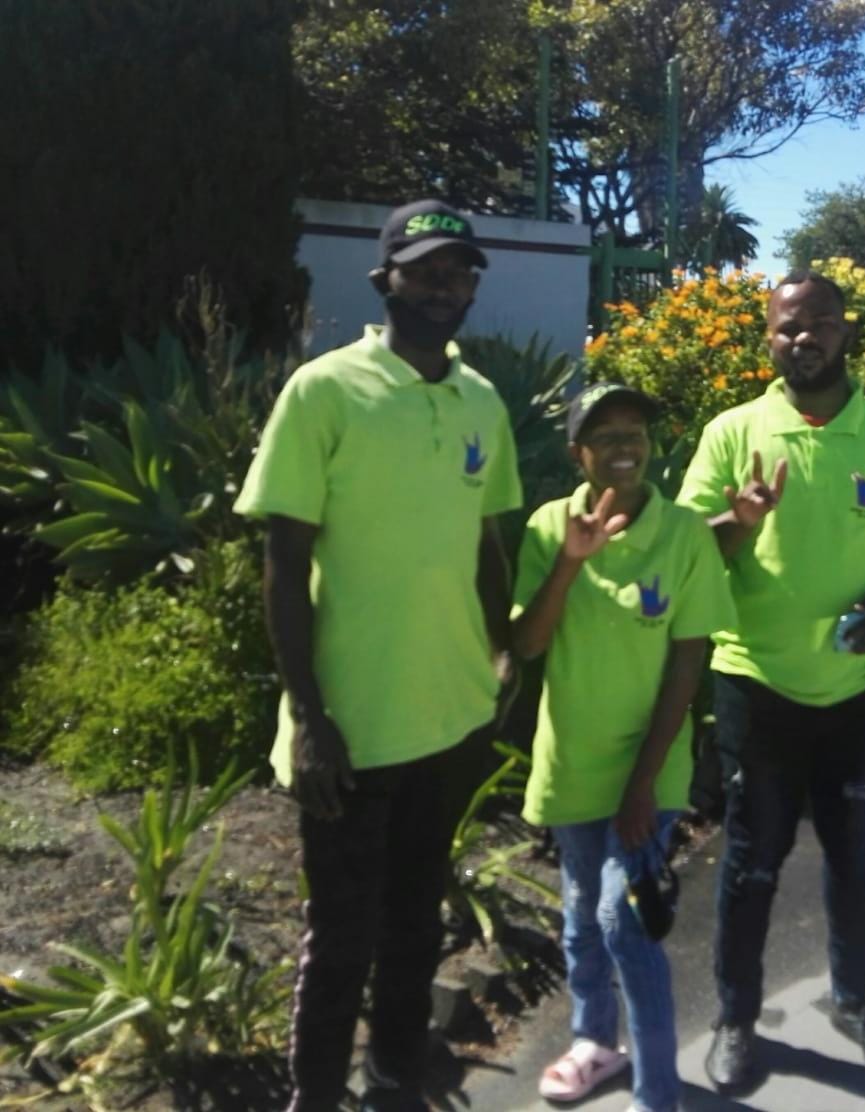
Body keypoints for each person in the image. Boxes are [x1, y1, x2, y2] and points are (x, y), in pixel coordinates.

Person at [235, 199, 522, 1112]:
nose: (445, 286)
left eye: (459, 272)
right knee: (339, 940)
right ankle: (315, 1097)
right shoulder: (323, 390)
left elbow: (486, 544)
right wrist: (308, 717)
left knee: (414, 922)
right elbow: (283, 564)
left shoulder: (481, 400)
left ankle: (396, 1079)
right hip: (350, 728)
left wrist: (504, 652)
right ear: (384, 279)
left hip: (450, 714)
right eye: (426, 269)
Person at [676, 271, 865, 1090]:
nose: (802, 338)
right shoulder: (732, 432)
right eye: (786, 327)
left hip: (864, 692)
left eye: (819, 324)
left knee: (855, 859)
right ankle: (735, 1019)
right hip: (756, 683)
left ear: (845, 330)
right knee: (750, 864)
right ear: (768, 337)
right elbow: (689, 549)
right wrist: (737, 519)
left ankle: (854, 1001)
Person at [512, 383, 734, 1112]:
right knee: (580, 913)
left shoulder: (684, 534)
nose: (623, 447)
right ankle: (594, 1042)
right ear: (577, 452)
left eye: (634, 432)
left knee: (622, 920)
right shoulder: (550, 525)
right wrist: (570, 561)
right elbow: (527, 643)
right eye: (604, 435)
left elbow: (688, 661)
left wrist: (643, 782)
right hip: (571, 761)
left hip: (651, 767)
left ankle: (658, 1092)